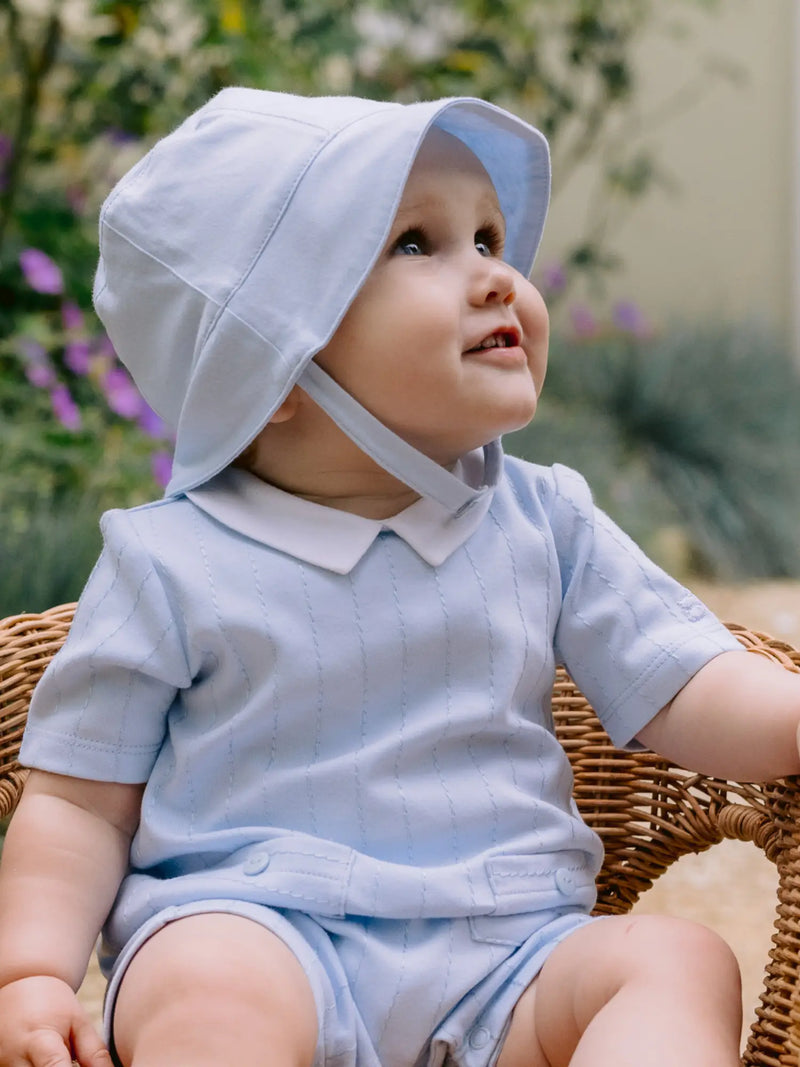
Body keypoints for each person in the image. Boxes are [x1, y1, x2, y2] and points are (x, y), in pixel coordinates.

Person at [0, 88, 798, 1067]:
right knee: (208, 990)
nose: (496, 277)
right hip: (260, 920)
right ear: (273, 366)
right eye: (417, 244)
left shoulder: (542, 519)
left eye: (490, 237)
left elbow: (686, 681)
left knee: (676, 960)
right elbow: (79, 798)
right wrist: (31, 971)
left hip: (512, 950)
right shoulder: (171, 561)